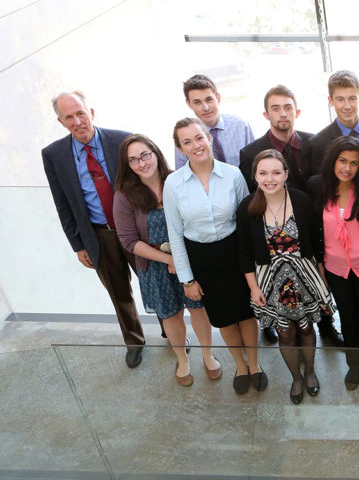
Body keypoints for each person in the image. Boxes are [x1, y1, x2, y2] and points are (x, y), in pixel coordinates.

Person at [41, 90, 146, 367]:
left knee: (153, 284)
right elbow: (61, 202)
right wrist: (79, 245)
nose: (77, 121)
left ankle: (172, 333)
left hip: (135, 231)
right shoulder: (53, 155)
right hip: (98, 235)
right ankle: (134, 342)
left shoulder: (123, 140)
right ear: (61, 122)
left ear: (92, 113)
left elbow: (146, 184)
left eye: (80, 113)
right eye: (68, 117)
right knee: (118, 291)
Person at [164, 118, 265, 395]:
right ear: (180, 148)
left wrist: (254, 267)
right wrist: (187, 279)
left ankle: (254, 365)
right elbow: (175, 234)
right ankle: (240, 366)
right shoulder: (173, 184)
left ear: (208, 138)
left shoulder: (232, 174)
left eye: (199, 137)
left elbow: (247, 220)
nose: (195, 145)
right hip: (203, 259)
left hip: (235, 253)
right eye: (187, 142)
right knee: (223, 318)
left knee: (246, 314)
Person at [239, 85, 342, 348]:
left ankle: (327, 325)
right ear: (266, 114)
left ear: (296, 111)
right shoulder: (250, 152)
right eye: (275, 108)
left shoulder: (315, 142)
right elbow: (255, 197)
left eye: (287, 107)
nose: (282, 113)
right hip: (275, 232)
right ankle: (274, 323)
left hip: (312, 226)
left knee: (316, 287)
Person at [112, 134, 220, 386]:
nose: (141, 163)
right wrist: (168, 259)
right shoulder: (124, 195)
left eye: (145, 155)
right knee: (171, 315)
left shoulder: (180, 180)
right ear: (127, 166)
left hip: (190, 260)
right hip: (155, 268)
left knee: (198, 309)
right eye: (133, 160)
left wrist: (181, 260)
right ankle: (182, 358)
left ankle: (207, 354)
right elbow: (129, 241)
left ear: (156, 153)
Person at [237, 150, 334, 404]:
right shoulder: (248, 207)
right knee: (285, 333)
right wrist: (252, 287)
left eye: (276, 172)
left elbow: (317, 241)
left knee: (306, 327)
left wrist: (322, 279)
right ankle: (296, 377)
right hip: (270, 282)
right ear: (255, 176)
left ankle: (310, 372)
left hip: (304, 276)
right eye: (263, 173)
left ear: (286, 174)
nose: (270, 178)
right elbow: (244, 251)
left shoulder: (301, 201)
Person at [312, 136, 359, 392]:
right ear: (333, 160)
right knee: (348, 318)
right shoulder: (318, 187)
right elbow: (314, 231)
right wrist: (319, 264)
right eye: (343, 161)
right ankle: (354, 364)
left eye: (354, 163)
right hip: (335, 267)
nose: (347, 168)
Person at [174, 74, 254, 169]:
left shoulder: (241, 126)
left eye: (209, 100)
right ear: (189, 104)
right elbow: (182, 175)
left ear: (218, 98)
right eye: (197, 102)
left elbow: (256, 163)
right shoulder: (184, 137)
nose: (206, 108)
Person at [307, 70, 359, 174]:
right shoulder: (318, 143)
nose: (347, 106)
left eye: (352, 99)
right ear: (331, 101)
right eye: (340, 99)